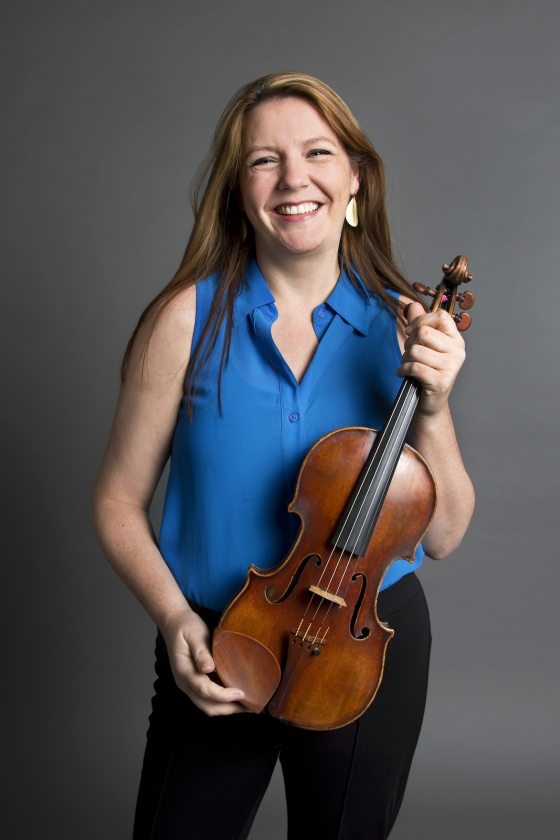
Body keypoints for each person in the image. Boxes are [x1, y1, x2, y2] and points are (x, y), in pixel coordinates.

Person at [93, 72, 474, 840]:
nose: (294, 179)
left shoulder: (405, 325)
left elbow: (442, 533)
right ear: (238, 190)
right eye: (264, 160)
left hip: (363, 654)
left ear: (354, 178)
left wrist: (431, 406)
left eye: (317, 153)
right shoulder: (183, 321)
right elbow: (116, 502)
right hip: (219, 644)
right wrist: (174, 623)